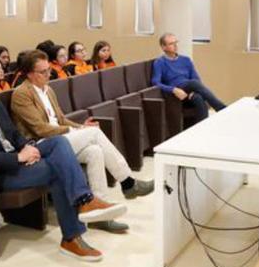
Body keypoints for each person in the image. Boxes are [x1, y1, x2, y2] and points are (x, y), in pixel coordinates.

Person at [0, 63, 125, 262]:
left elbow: (13, 134)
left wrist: (27, 147)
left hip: (19, 155)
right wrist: (17, 158)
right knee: (57, 170)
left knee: (58, 142)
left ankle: (83, 204)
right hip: (1, 172)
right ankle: (74, 231)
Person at [11, 51, 154, 232]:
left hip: (60, 138)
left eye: (48, 70)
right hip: (42, 145)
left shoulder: (48, 89)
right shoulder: (21, 94)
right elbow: (40, 129)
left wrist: (79, 127)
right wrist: (79, 130)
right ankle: (128, 182)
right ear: (30, 74)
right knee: (93, 133)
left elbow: (61, 119)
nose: (48, 74)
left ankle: (100, 214)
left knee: (95, 151)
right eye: (43, 72)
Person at [152, 32, 227, 124]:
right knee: (193, 83)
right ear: (163, 47)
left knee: (198, 98)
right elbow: (156, 83)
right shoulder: (159, 62)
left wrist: (193, 91)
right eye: (171, 44)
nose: (175, 46)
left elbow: (196, 78)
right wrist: (174, 90)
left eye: (176, 43)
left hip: (189, 88)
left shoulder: (186, 60)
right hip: (175, 94)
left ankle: (202, 129)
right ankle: (221, 108)